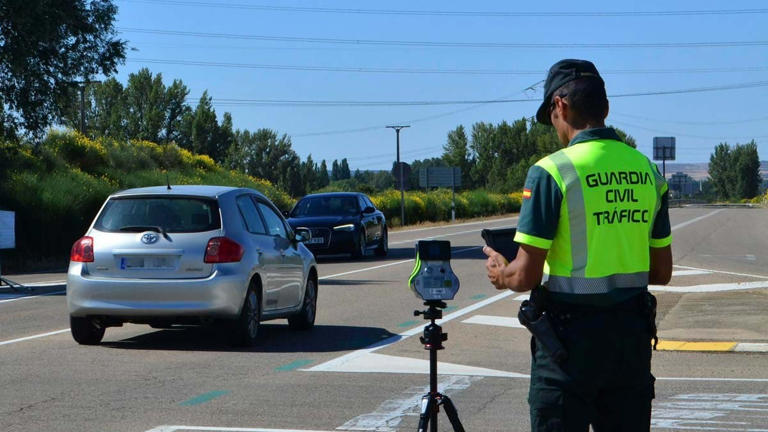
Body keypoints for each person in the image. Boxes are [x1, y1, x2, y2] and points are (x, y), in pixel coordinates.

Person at [484, 59, 673, 431]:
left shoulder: (551, 171)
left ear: (560, 106)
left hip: (566, 346)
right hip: (629, 344)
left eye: (552, 117)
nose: (555, 127)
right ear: (605, 108)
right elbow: (661, 272)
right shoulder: (648, 172)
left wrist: (501, 272)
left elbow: (525, 276)